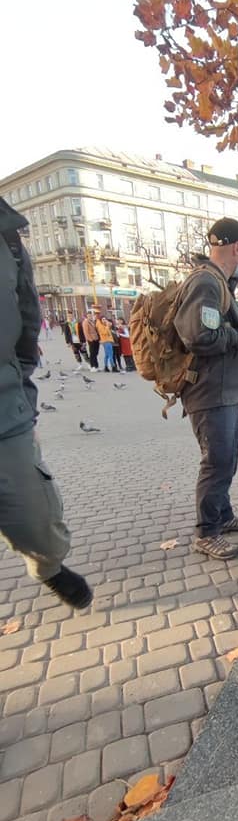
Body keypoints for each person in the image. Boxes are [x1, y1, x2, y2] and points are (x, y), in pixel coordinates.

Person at [0, 198, 92, 609]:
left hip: (4, 408)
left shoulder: (7, 236)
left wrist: (21, 396)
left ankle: (47, 567)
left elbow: (25, 320)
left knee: (35, 519)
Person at [173, 217, 238, 560]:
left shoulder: (220, 281)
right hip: (210, 393)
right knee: (217, 462)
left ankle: (222, 515)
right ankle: (206, 532)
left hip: (224, 393)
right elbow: (198, 335)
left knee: (228, 459)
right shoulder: (206, 282)